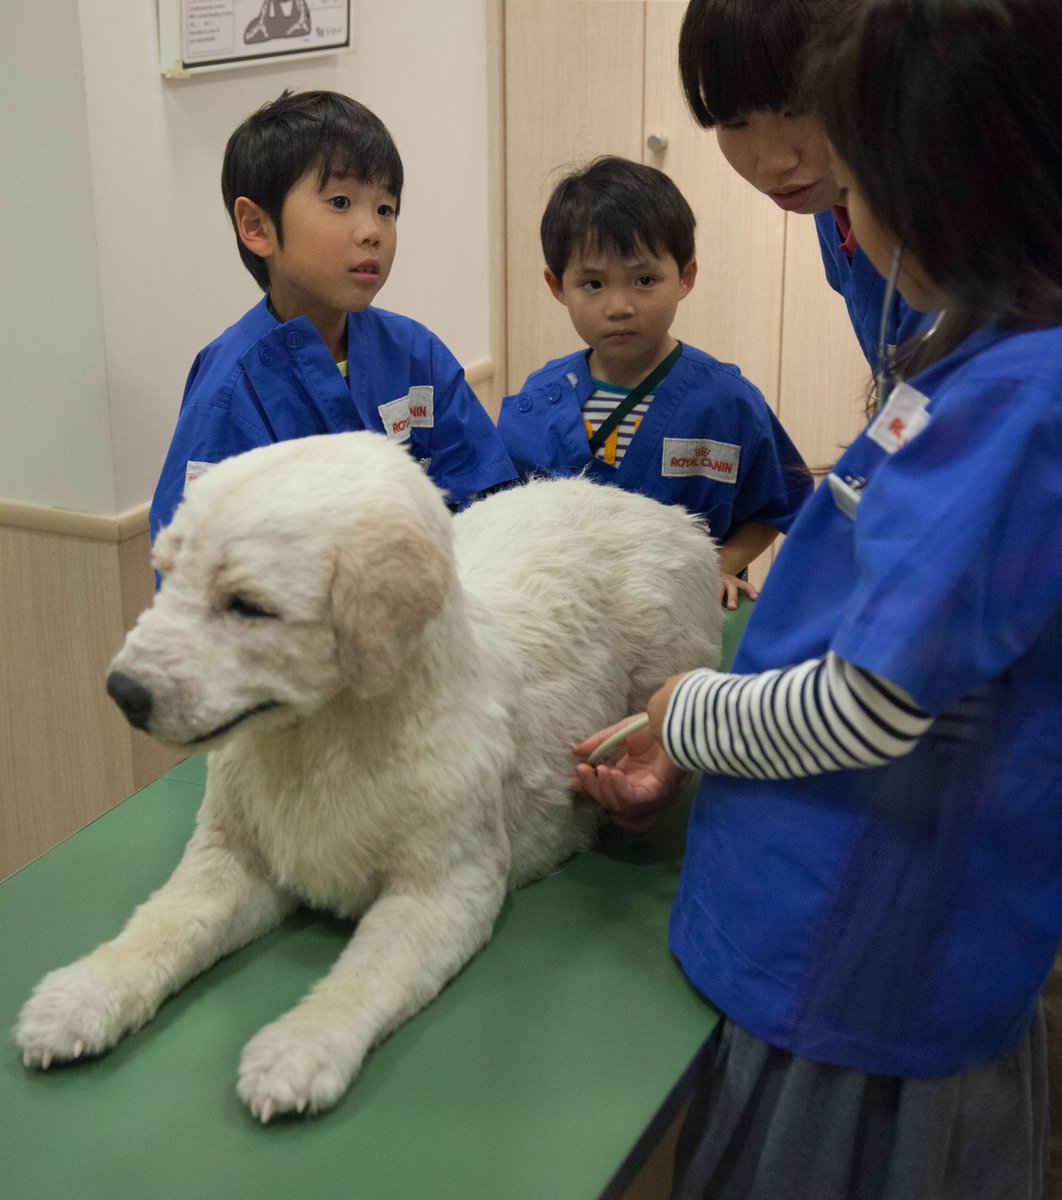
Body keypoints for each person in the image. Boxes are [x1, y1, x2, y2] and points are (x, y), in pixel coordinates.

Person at [573, 0, 1062, 1194]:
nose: (830, 202)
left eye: (854, 173)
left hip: (866, 956)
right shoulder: (978, 346)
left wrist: (689, 709)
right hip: (833, 904)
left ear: (945, 180)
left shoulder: (1013, 399)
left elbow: (871, 705)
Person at [150, 90, 515, 539]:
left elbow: (489, 502)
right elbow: (197, 566)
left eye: (385, 209)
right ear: (257, 226)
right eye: (340, 202)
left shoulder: (417, 355)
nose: (372, 232)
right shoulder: (229, 390)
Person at [498, 156, 812, 608]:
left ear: (685, 277)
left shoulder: (726, 402)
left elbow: (773, 506)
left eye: (644, 279)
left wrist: (720, 565)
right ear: (557, 286)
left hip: (687, 619)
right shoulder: (536, 403)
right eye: (592, 284)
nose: (620, 305)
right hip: (572, 620)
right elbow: (506, 519)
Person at [677, 0, 934, 371]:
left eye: (799, 107)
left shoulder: (949, 215)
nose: (773, 162)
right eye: (733, 122)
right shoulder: (832, 198)